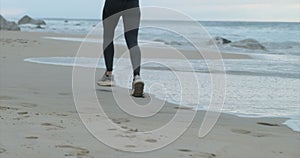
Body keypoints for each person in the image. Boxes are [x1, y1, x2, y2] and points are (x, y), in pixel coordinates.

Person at [97, 0, 144, 97]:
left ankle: (108, 74)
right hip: (132, 4)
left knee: (108, 37)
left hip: (112, 4)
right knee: (132, 40)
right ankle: (137, 76)